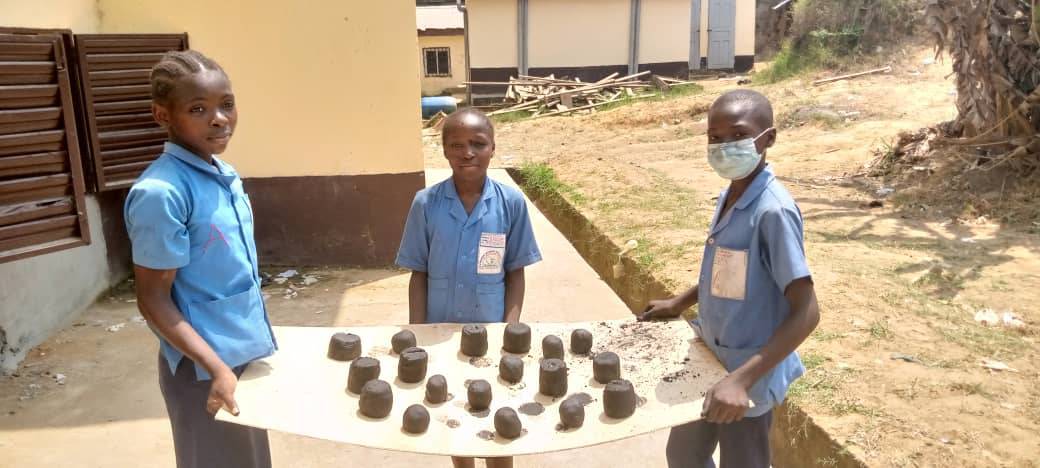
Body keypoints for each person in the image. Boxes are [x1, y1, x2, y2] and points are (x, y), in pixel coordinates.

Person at [640, 89, 820, 468]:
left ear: (768, 138)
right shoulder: (732, 195)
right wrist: (679, 302)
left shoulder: (773, 212)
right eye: (715, 137)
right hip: (708, 357)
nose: (725, 147)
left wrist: (741, 380)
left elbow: (807, 311)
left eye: (738, 135)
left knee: (742, 459)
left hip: (747, 373)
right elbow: (730, 270)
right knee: (684, 455)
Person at [126, 50, 275, 468]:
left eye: (226, 104)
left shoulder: (223, 174)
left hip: (241, 356)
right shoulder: (161, 193)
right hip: (202, 372)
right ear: (163, 116)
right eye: (198, 109)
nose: (219, 119)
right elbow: (153, 299)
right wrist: (217, 368)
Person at [396, 109, 542, 468]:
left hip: (491, 333)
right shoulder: (425, 203)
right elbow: (418, 273)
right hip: (440, 332)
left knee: (499, 416)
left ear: (492, 148)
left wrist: (509, 328)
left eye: (478, 143)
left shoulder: (510, 203)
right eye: (456, 145)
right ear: (444, 150)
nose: (467, 153)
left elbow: (515, 272)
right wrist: (418, 332)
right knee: (453, 415)